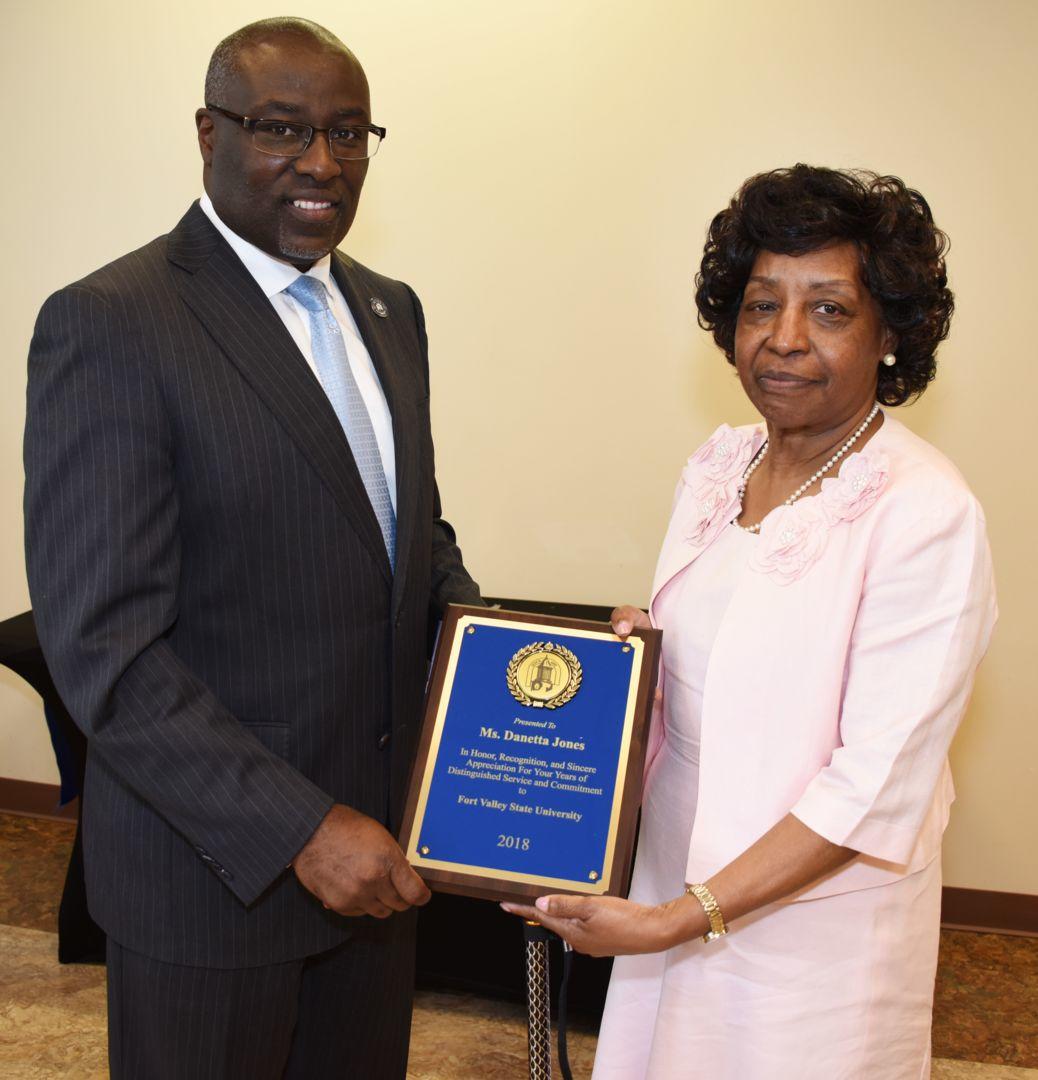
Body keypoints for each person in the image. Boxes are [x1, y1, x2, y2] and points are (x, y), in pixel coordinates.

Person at [23, 17, 481, 1079]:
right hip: (214, 882)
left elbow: (412, 543)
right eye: (281, 128)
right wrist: (302, 831)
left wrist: (516, 685)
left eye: (350, 132)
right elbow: (105, 650)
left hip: (380, 870)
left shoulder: (389, 309)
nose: (322, 163)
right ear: (208, 132)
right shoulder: (112, 323)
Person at [503, 165, 996, 1078]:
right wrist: (641, 654)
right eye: (761, 305)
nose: (784, 339)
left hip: (811, 932)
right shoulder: (721, 463)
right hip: (668, 880)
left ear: (892, 334)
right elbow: (724, 654)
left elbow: (873, 786)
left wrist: (681, 919)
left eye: (830, 310)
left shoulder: (925, 513)